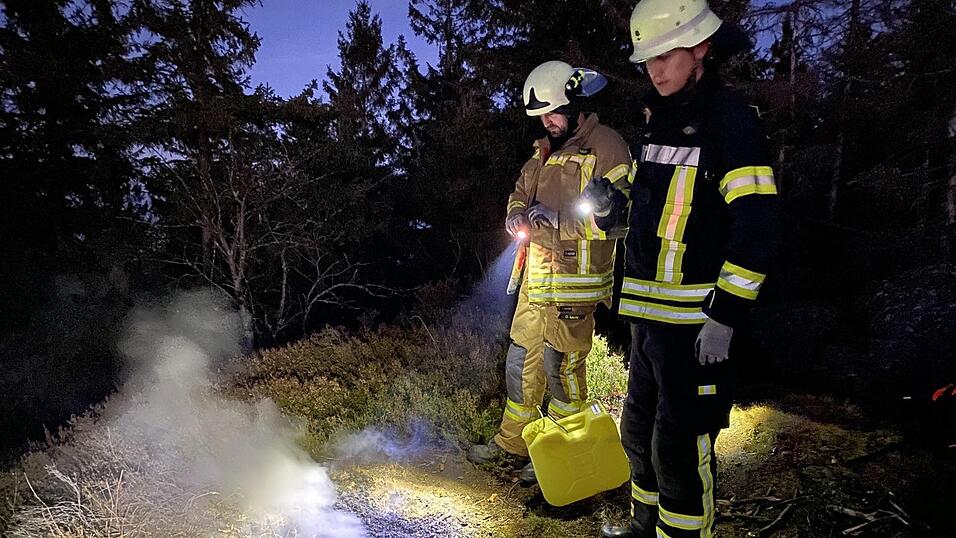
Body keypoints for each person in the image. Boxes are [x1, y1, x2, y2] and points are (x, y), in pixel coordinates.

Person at [586, 1, 781, 536]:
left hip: (696, 328)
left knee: (678, 447)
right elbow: (648, 218)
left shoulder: (731, 122)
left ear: (701, 48)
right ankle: (643, 527)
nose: (655, 70)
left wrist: (725, 317)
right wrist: (609, 209)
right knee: (637, 433)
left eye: (665, 56)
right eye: (647, 60)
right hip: (649, 321)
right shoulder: (659, 122)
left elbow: (758, 228)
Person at [467, 60, 632, 483]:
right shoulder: (543, 150)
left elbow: (621, 219)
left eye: (554, 113)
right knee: (520, 361)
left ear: (575, 104)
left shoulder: (607, 146)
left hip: (576, 284)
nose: (547, 122)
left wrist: (559, 221)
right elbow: (519, 192)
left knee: (561, 370)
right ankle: (513, 444)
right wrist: (516, 214)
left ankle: (564, 457)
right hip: (536, 279)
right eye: (541, 116)